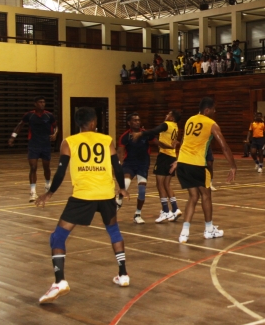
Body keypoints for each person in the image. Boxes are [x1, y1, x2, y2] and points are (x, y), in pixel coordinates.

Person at [35, 107, 130, 304]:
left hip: (83, 195)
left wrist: (49, 193)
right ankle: (123, 275)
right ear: (94, 123)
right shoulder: (106, 140)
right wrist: (122, 187)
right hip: (106, 193)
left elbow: (61, 171)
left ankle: (59, 282)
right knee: (113, 230)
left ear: (78, 123)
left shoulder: (69, 142)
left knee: (58, 236)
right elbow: (117, 166)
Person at [172, 97, 237, 243]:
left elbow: (185, 141)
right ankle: (209, 229)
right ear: (207, 110)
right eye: (214, 109)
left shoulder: (190, 120)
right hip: (198, 164)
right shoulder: (211, 124)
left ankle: (184, 233)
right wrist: (233, 166)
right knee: (206, 196)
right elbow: (224, 146)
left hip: (183, 163)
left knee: (193, 196)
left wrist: (178, 160)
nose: (215, 111)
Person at [130, 110, 183, 222]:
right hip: (172, 156)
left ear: (172, 118)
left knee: (159, 184)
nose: (166, 115)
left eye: (168, 114)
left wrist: (141, 133)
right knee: (167, 185)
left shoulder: (166, 124)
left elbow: (154, 130)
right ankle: (175, 209)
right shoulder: (175, 126)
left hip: (164, 156)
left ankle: (165, 211)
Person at [9, 96, 58, 202]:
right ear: (35, 104)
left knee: (46, 167)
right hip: (33, 144)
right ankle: (32, 192)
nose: (42, 104)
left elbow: (55, 126)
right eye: (40, 102)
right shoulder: (29, 115)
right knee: (33, 167)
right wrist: (13, 137)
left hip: (45, 144)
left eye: (43, 102)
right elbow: (20, 125)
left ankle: (47, 185)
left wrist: (55, 134)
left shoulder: (49, 115)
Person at [117, 113, 155, 224]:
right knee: (126, 183)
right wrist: (118, 165)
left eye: (138, 120)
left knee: (142, 191)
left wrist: (169, 146)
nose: (137, 122)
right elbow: (120, 152)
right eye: (134, 120)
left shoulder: (145, 134)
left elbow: (157, 142)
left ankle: (137, 214)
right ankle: (119, 200)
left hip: (143, 165)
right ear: (129, 123)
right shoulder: (125, 136)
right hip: (129, 164)